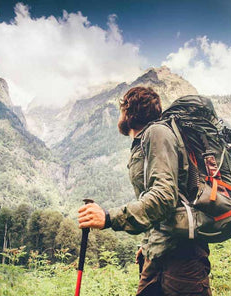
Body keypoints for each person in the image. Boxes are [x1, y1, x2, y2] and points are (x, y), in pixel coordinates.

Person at [78, 86, 212, 295]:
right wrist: (149, 242)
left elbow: (164, 197)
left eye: (122, 109)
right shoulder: (144, 141)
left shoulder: (157, 133)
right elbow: (163, 197)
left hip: (183, 259)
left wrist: (108, 218)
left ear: (129, 112)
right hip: (158, 253)